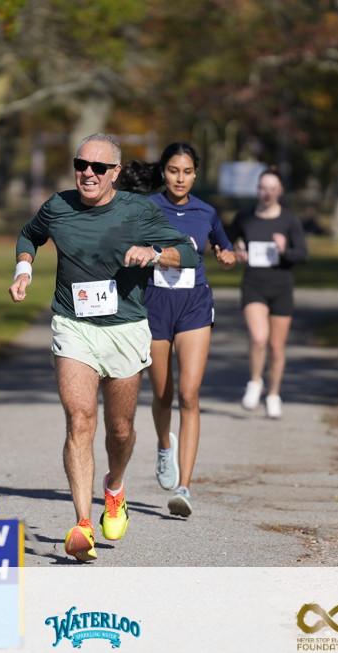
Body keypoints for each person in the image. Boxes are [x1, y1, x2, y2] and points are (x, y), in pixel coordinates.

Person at [8, 133, 197, 562]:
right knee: (80, 420)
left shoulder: (138, 210)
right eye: (81, 165)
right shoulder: (58, 206)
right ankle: (82, 524)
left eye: (98, 167)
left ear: (115, 172)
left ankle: (115, 487)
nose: (87, 173)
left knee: (121, 430)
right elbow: (29, 235)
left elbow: (187, 254)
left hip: (125, 329)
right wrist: (24, 271)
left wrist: (153, 254)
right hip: (73, 325)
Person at [117, 143, 236, 518]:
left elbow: (225, 247)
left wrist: (227, 255)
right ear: (164, 172)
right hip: (155, 305)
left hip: (194, 305)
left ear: (195, 174)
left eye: (186, 172)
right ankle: (164, 447)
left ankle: (184, 487)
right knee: (163, 393)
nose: (179, 178)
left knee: (189, 394)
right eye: (173, 171)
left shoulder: (207, 212)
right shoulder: (146, 207)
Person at [228, 169, 309, 418]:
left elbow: (302, 254)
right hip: (254, 285)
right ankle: (255, 382)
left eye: (272, 189)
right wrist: (237, 252)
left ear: (280, 191)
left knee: (276, 346)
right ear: (257, 190)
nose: (267, 193)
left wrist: (284, 250)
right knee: (259, 337)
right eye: (263, 188)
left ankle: (273, 394)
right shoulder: (245, 217)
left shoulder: (289, 219)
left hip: (281, 286)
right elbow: (225, 243)